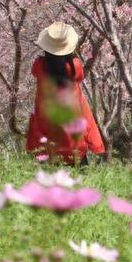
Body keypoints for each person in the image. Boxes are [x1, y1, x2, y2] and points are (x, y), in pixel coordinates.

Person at [26, 22, 105, 164]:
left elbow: (37, 71)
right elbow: (79, 76)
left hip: (47, 131)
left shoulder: (39, 66)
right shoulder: (75, 66)